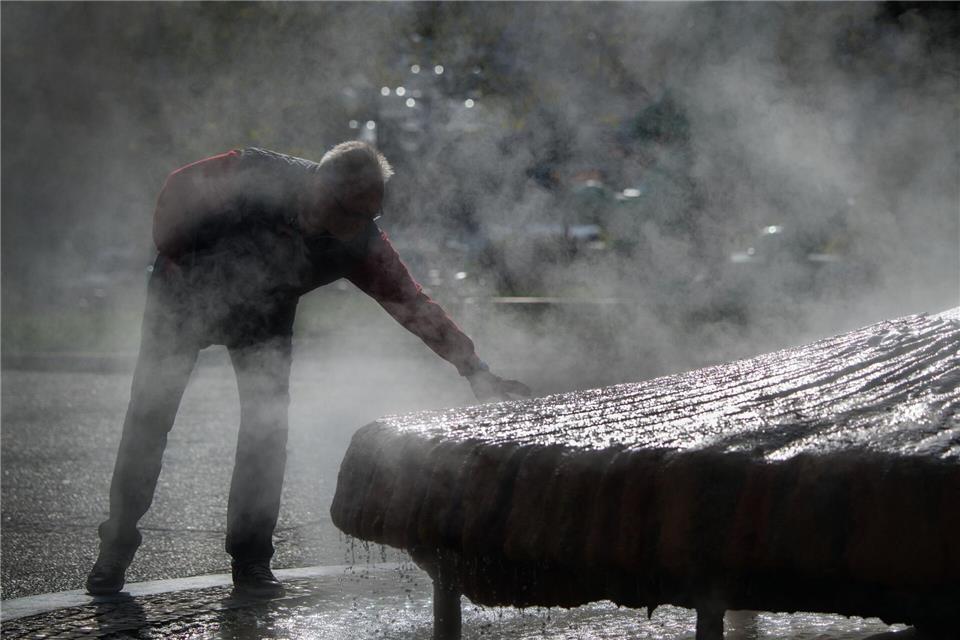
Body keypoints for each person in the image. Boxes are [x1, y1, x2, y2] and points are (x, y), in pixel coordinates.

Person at [86, 142, 531, 598]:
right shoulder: (254, 173)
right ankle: (116, 547)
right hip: (183, 296)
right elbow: (178, 189)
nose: (355, 227)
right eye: (349, 212)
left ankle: (252, 561)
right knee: (149, 417)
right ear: (320, 185)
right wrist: (182, 254)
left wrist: (473, 369)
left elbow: (413, 304)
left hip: (265, 312)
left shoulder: (359, 239)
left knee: (266, 432)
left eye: (369, 216)